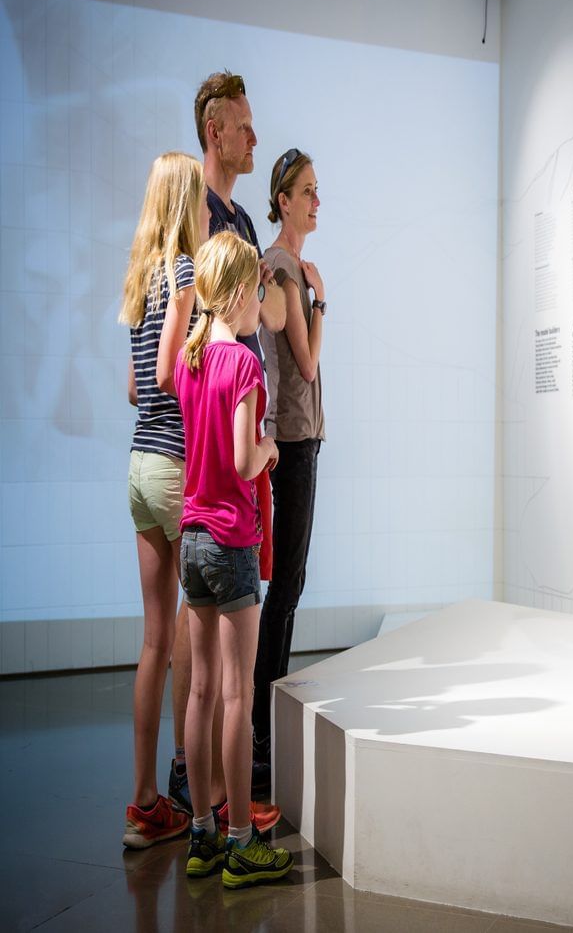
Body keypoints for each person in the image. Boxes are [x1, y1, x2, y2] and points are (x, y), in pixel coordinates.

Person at [175, 231, 294, 888]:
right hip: (231, 541)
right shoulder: (244, 366)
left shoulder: (192, 360)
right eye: (259, 290)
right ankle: (243, 840)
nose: (262, 304)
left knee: (197, 690)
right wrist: (272, 447)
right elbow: (245, 460)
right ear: (241, 292)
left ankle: (200, 834)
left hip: (191, 539)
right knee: (235, 693)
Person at [194, 70, 285, 792]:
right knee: (225, 683)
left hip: (209, 501)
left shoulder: (245, 220)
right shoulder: (199, 213)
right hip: (222, 508)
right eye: (243, 126)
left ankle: (205, 810)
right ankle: (222, 814)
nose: (254, 138)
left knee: (208, 680)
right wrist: (262, 447)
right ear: (213, 131)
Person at [119, 152, 206, 848]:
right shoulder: (181, 274)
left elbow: (132, 389)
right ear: (186, 204)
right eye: (202, 200)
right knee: (196, 636)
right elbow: (165, 372)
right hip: (176, 463)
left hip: (139, 465)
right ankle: (207, 802)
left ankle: (145, 802)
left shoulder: (141, 279)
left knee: (154, 641)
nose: (210, 210)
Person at [252, 149, 325, 768]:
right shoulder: (282, 266)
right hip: (295, 440)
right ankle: (261, 721)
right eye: (306, 191)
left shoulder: (287, 265)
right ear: (283, 200)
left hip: (301, 437)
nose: (315, 200)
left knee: (290, 580)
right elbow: (305, 363)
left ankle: (263, 714)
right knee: (287, 583)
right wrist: (321, 305)